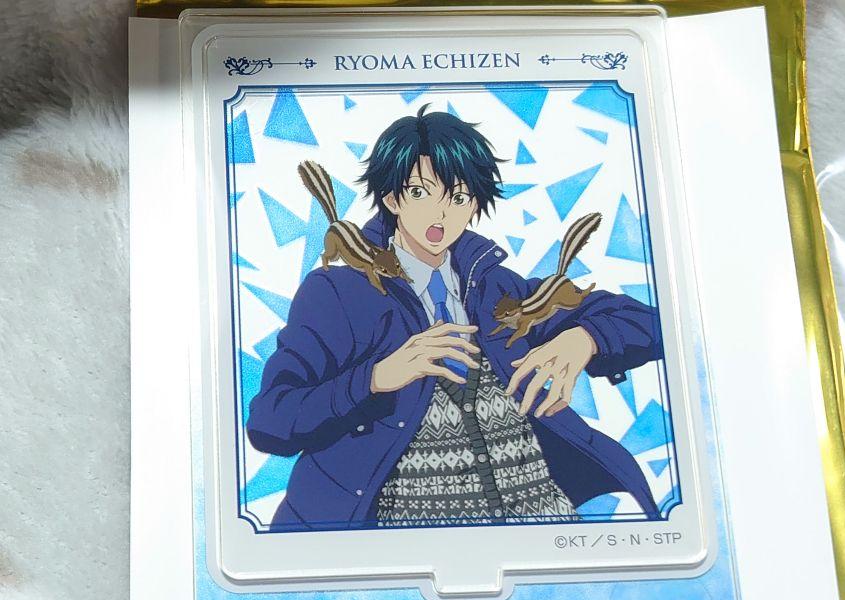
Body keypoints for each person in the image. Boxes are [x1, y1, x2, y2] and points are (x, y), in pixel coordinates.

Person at [247, 104, 663, 529]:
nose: (440, 214)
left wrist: (584, 339)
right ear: (392, 198)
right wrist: (374, 377)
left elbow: (654, 324)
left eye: (459, 197)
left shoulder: (494, 287)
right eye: (420, 193)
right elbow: (270, 421)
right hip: (409, 533)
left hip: (540, 519)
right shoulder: (339, 293)